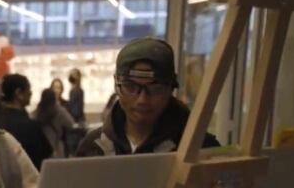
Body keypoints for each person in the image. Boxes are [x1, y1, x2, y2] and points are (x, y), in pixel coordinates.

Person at [77, 37, 220, 157]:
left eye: (155, 88)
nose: (142, 100)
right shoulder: (92, 148)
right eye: (131, 87)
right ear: (116, 85)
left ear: (171, 88)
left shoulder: (201, 149)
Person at [0, 73, 52, 170]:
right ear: (19, 93)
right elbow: (45, 155)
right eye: (28, 89)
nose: (31, 93)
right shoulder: (31, 126)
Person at [33, 88, 75, 158]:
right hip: (56, 146)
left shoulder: (37, 112)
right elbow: (71, 123)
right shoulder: (59, 111)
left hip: (40, 147)